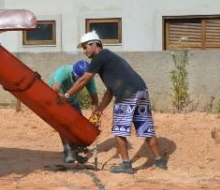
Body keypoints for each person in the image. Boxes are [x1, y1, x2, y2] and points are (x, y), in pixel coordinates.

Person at [64, 30, 167, 174]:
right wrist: (99, 111)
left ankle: (126, 165)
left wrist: (67, 95)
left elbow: (83, 80)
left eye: (85, 47)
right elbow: (110, 91)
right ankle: (160, 161)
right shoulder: (110, 58)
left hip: (126, 95)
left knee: (119, 132)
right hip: (141, 91)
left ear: (94, 44)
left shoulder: (99, 58)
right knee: (146, 129)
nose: (84, 51)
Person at [48, 59, 100, 163]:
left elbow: (94, 99)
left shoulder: (88, 78)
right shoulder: (63, 71)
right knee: (63, 124)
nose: (79, 82)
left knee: (79, 123)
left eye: (82, 80)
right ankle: (67, 150)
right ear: (73, 73)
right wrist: (62, 100)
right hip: (58, 98)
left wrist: (95, 118)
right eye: (77, 79)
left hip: (72, 99)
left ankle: (77, 149)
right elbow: (54, 89)